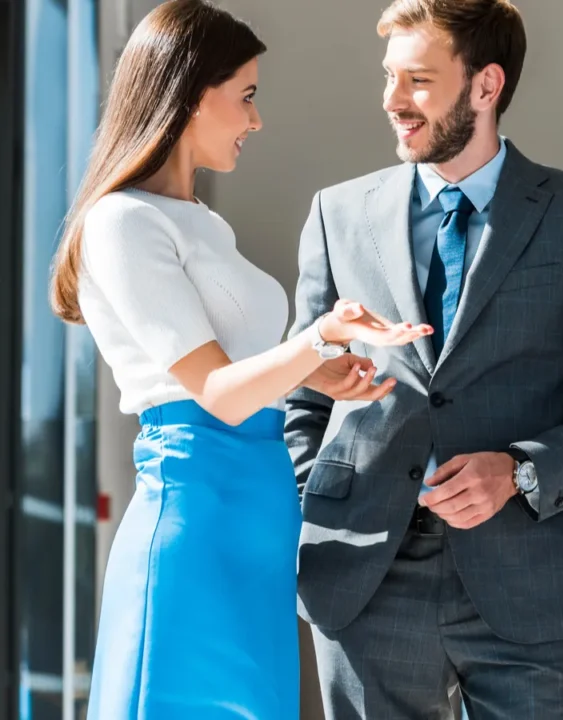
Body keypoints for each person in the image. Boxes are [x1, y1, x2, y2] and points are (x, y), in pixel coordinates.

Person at [287, 0, 563, 717]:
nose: (392, 102)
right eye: (389, 79)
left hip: (527, 583)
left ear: (486, 86)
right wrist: (327, 498)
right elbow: (302, 398)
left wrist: (522, 470)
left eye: (418, 82)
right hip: (366, 580)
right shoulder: (338, 214)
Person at [48, 2, 432, 717]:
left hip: (257, 528)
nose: (256, 121)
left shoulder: (204, 223)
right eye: (246, 96)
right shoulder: (122, 222)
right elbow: (215, 395)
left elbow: (238, 373)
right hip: (196, 521)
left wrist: (318, 372)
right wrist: (318, 337)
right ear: (192, 92)